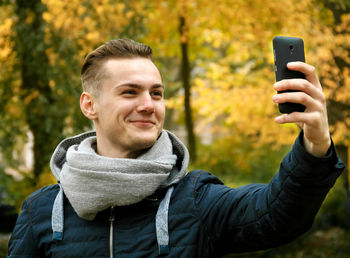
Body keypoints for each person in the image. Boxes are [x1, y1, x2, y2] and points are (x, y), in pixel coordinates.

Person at [8, 39, 344, 257]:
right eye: (129, 92)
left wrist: (315, 144)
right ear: (89, 105)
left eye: (156, 93)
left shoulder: (194, 198)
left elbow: (278, 215)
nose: (148, 105)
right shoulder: (41, 212)